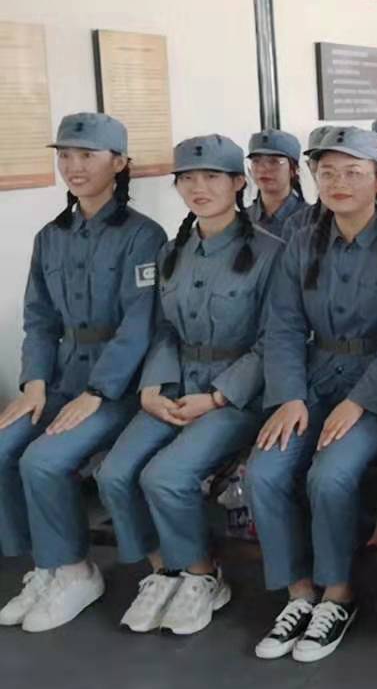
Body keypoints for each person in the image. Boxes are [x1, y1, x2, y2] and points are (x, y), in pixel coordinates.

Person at [245, 127, 377, 664]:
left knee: (331, 474)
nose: (338, 183)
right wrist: (290, 396)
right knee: (264, 472)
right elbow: (282, 326)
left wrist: (360, 401)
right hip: (313, 379)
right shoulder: (302, 243)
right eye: (326, 172)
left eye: (353, 172)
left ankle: (337, 594)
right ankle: (298, 592)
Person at [95, 135, 284, 636]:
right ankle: (164, 570)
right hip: (176, 384)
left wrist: (218, 396)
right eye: (187, 178)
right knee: (114, 474)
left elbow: (276, 340)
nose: (199, 187)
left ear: (238, 183)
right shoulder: (172, 251)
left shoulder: (271, 253)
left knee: (165, 475)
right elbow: (163, 329)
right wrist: (153, 386)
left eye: (212, 177)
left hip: (237, 394)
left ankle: (202, 574)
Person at [0, 114, 166, 632]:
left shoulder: (143, 236)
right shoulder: (51, 236)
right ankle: (47, 565)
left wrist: (97, 391)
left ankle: (75, 571)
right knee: (3, 447)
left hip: (119, 385)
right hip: (61, 378)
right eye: (66, 155)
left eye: (87, 156)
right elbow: (39, 319)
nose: (74, 166)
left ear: (118, 163)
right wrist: (34, 384)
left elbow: (141, 324)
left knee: (44, 460)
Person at [245, 130, 307, 237]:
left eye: (274, 161)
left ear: (294, 169)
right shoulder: (243, 219)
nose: (263, 168)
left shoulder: (311, 219)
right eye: (256, 161)